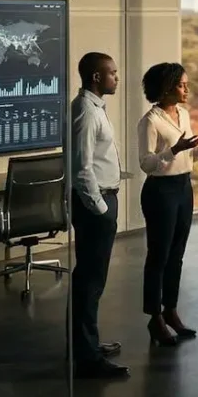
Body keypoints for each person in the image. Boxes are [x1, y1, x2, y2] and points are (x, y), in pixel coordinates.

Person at [136, 62, 198, 345]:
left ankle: (171, 311)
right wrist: (175, 149)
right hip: (160, 192)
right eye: (181, 85)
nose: (187, 89)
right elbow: (146, 164)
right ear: (166, 88)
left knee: (176, 255)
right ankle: (155, 318)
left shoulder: (183, 114)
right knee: (159, 256)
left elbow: (187, 157)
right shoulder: (150, 121)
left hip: (183, 188)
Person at [70, 52, 128, 379]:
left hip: (102, 201)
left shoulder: (93, 108)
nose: (116, 78)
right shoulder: (87, 113)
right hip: (96, 206)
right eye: (112, 73)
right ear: (96, 77)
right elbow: (82, 169)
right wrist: (102, 208)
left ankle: (87, 344)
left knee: (94, 279)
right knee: (90, 281)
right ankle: (88, 357)